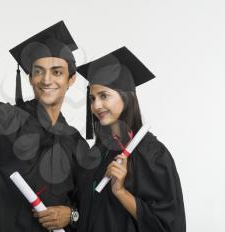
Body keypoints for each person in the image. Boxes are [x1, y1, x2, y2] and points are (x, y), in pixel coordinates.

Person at [0, 21, 89, 232]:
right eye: (38, 72)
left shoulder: (75, 142)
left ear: (71, 79)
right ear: (30, 78)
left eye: (57, 72)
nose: (47, 79)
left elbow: (88, 203)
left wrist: (72, 215)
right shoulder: (9, 119)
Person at [76, 46, 186, 232]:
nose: (96, 105)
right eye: (93, 98)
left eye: (104, 96)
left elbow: (168, 226)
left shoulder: (151, 153)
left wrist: (120, 192)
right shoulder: (99, 152)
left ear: (126, 97)